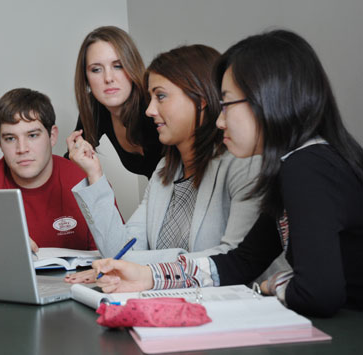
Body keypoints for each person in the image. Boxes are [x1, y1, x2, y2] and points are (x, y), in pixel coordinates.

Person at [90, 30, 363, 317]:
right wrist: (149, 277)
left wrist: (273, 285)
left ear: (267, 98)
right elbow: (241, 261)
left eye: (227, 104)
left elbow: (318, 293)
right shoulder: (294, 165)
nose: (219, 121)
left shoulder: (306, 166)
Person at [65, 44, 286, 283]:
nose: (149, 110)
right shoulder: (163, 170)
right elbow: (120, 251)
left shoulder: (243, 165)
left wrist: (141, 266)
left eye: (160, 96)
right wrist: (94, 174)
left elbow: (233, 261)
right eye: (151, 98)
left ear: (200, 99)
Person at [0, 88, 96, 251]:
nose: (22, 149)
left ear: (52, 136)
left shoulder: (85, 180)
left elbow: (116, 257)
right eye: (10, 138)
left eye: (32, 135)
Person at [67, 25, 162, 178]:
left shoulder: (154, 105)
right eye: (96, 69)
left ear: (132, 67)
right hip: (159, 197)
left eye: (118, 66)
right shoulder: (96, 107)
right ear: (86, 78)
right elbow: (74, 159)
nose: (108, 78)